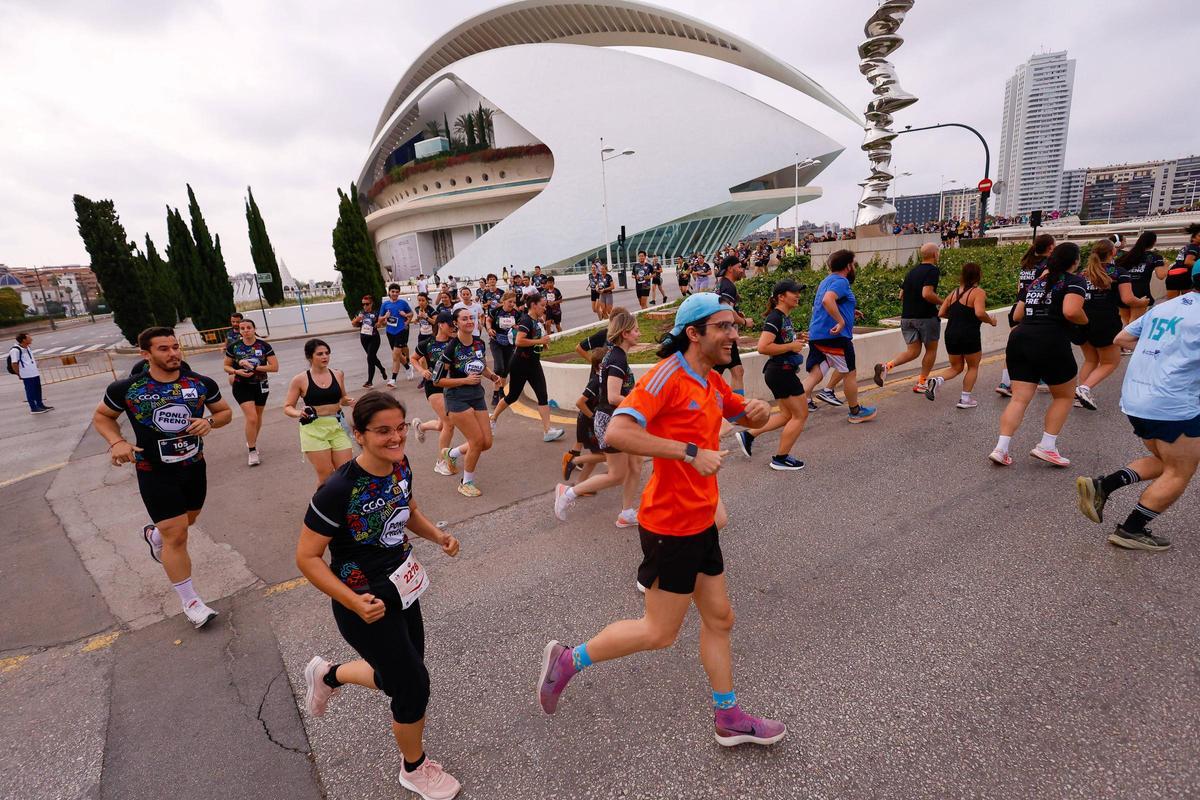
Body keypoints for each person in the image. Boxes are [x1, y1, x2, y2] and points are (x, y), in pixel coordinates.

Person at [540, 293, 784, 748]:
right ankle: (568, 660)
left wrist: (760, 410)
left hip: (701, 518)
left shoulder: (708, 379)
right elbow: (617, 430)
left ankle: (728, 716)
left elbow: (741, 412)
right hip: (671, 524)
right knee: (658, 632)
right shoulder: (666, 376)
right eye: (724, 327)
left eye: (734, 326)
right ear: (694, 334)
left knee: (721, 618)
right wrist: (691, 453)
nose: (735, 334)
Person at [296, 392, 463, 799]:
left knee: (400, 674)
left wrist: (437, 534)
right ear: (359, 435)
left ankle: (328, 674)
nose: (394, 437)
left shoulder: (400, 465)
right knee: (413, 686)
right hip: (363, 602)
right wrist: (352, 601)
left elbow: (409, 510)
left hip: (403, 585)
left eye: (400, 428)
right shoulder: (338, 489)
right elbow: (307, 557)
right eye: (383, 431)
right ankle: (414, 769)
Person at [93, 327, 233, 629]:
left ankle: (154, 535)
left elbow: (224, 413)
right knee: (177, 533)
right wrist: (116, 442)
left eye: (175, 347)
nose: (173, 354)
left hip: (194, 467)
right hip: (154, 471)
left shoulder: (200, 383)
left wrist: (209, 422)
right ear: (146, 354)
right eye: (164, 349)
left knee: (188, 521)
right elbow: (102, 417)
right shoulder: (128, 389)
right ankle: (191, 602)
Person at [1075, 272, 1200, 551]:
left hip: (1137, 399)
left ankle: (1104, 486)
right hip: (1173, 404)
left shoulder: (1167, 306)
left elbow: (1122, 337)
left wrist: (1163, 355)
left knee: (1165, 460)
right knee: (1180, 470)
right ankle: (1132, 529)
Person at [989, 242, 1087, 467]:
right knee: (1063, 395)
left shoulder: (1037, 281)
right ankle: (1047, 446)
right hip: (1051, 338)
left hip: (1021, 337)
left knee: (1019, 397)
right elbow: (1071, 311)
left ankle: (1001, 448)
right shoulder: (1075, 281)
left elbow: (1018, 313)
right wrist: (1085, 320)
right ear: (1074, 261)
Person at [553, 310, 642, 526]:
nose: (640, 334)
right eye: (636, 330)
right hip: (613, 420)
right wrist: (640, 405)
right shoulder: (618, 358)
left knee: (636, 464)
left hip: (618, 418)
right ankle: (568, 492)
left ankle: (627, 512)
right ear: (625, 333)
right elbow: (612, 396)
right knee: (617, 475)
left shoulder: (615, 354)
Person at [735, 280, 810, 470]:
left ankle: (749, 435)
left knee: (786, 415)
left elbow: (780, 341)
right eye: (794, 292)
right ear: (781, 297)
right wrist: (791, 346)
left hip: (779, 372)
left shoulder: (784, 317)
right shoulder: (775, 318)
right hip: (781, 372)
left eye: (798, 292)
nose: (798, 295)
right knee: (800, 415)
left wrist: (796, 339)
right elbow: (763, 347)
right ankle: (780, 458)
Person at [432, 307, 503, 497]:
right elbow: (437, 380)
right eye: (464, 319)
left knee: (487, 442)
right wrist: (464, 380)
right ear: (456, 323)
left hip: (476, 395)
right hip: (457, 398)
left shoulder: (479, 343)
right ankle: (466, 482)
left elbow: (482, 365)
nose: (469, 321)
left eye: (471, 318)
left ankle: (452, 453)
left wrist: (492, 376)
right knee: (476, 441)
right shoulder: (451, 347)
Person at [490, 294, 565, 442]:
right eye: (542, 305)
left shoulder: (537, 321)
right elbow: (519, 341)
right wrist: (539, 340)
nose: (545, 308)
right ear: (533, 305)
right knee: (512, 396)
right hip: (520, 364)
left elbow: (535, 338)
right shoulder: (526, 320)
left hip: (534, 364)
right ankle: (492, 418)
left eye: (545, 306)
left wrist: (542, 343)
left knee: (542, 395)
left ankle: (547, 430)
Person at [923, 262, 997, 408]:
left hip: (951, 333)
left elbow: (941, 312)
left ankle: (937, 380)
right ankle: (965, 399)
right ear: (978, 275)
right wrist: (991, 321)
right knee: (973, 367)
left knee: (956, 367)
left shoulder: (953, 293)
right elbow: (980, 313)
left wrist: (957, 318)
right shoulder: (978, 292)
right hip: (969, 334)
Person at [283, 339, 355, 488]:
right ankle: (321, 508)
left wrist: (350, 402)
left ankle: (344, 508)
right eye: (320, 354)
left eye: (327, 353)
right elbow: (288, 407)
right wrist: (298, 412)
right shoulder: (300, 379)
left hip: (337, 426)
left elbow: (342, 399)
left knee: (345, 472)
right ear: (310, 357)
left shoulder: (338, 374)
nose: (325, 357)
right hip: (313, 429)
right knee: (326, 477)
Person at [1074, 239, 1136, 411]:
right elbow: (1127, 299)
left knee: (1091, 359)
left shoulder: (1083, 273)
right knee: (1111, 362)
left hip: (1082, 319)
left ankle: (1080, 396)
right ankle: (1084, 388)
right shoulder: (1118, 272)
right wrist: (1141, 302)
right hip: (1105, 321)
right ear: (1113, 252)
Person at [873, 242, 943, 393]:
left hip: (907, 317)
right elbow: (927, 293)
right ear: (934, 254)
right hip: (926, 317)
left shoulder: (911, 271)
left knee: (913, 351)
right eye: (938, 252)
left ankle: (886, 367)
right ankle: (922, 383)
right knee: (931, 350)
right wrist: (944, 303)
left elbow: (901, 295)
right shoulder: (933, 271)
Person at [997, 233, 1055, 396]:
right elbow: (1044, 287)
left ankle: (1005, 382)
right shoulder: (1047, 266)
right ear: (1050, 247)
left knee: (1013, 348)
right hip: (1033, 309)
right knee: (1041, 344)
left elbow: (1019, 289)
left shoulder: (1026, 264)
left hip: (1017, 306)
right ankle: (1042, 378)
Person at [411, 311, 461, 476]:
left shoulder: (455, 343)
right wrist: (422, 370)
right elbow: (413, 358)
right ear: (440, 324)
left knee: (441, 425)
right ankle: (441, 462)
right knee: (449, 423)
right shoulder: (427, 343)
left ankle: (421, 426)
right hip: (434, 387)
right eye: (450, 325)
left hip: (451, 386)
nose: (453, 328)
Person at [222, 318, 278, 466]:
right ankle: (252, 450)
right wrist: (236, 370)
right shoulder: (234, 347)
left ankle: (251, 440)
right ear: (239, 331)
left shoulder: (264, 346)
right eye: (242, 328)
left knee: (258, 416)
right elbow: (226, 367)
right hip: (241, 385)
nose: (245, 330)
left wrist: (254, 367)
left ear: (254, 329)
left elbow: (274, 367)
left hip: (260, 384)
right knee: (252, 417)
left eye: (248, 327)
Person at [562, 346, 608, 483]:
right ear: (601, 365)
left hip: (590, 423)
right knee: (607, 455)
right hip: (588, 423)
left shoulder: (603, 379)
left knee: (597, 455)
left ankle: (580, 485)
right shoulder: (595, 382)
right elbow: (580, 402)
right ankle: (574, 460)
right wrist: (594, 418)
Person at [713, 256, 752, 399]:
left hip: (724, 334)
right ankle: (708, 405)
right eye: (739, 267)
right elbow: (726, 311)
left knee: (737, 371)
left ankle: (736, 408)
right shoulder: (728, 286)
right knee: (714, 375)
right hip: (724, 336)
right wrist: (744, 321)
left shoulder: (722, 284)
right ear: (730, 268)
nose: (742, 270)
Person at [1114, 231, 1160, 332]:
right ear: (1153, 242)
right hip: (1140, 294)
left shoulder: (1126, 256)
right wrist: (1165, 265)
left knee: (1125, 321)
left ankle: (1124, 345)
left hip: (1122, 293)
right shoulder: (1154, 257)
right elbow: (1161, 275)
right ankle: (1130, 346)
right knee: (1135, 323)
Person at [485, 291, 518, 407]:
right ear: (504, 301)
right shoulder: (496, 311)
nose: (512, 304)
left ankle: (501, 390)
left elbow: (521, 326)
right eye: (510, 301)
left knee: (506, 369)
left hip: (509, 343)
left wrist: (517, 328)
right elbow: (488, 320)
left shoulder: (516, 313)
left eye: (514, 302)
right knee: (499, 367)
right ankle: (495, 393)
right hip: (496, 342)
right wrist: (489, 329)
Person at [380, 283, 414, 387]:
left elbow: (411, 314)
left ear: (399, 293)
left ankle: (393, 379)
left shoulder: (403, 303)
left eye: (397, 292)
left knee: (395, 356)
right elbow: (380, 321)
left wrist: (406, 318)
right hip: (390, 332)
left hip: (401, 331)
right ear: (389, 292)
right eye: (393, 291)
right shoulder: (385, 305)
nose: (395, 294)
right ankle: (408, 367)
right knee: (398, 354)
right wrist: (385, 317)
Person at [8, 332, 52, 413]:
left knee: (38, 390)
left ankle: (40, 405)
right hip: (26, 374)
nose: (31, 339)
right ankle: (33, 408)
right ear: (24, 340)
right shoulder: (15, 350)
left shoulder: (27, 347)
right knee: (30, 391)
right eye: (29, 338)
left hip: (34, 373)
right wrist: (19, 374)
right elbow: (14, 363)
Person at [352, 295, 389, 388]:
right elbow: (354, 324)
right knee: (372, 357)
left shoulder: (376, 313)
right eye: (363, 304)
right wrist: (357, 319)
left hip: (374, 338)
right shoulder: (360, 313)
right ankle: (382, 369)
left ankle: (369, 382)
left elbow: (382, 323)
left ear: (371, 304)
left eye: (367, 304)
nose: (365, 306)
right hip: (364, 338)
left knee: (370, 358)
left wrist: (380, 323)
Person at [1158, 222, 1200, 300]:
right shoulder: (1195, 247)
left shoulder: (1186, 247)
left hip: (1172, 275)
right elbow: (1188, 261)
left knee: (1171, 304)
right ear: (1193, 238)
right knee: (1188, 303)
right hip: (1184, 276)